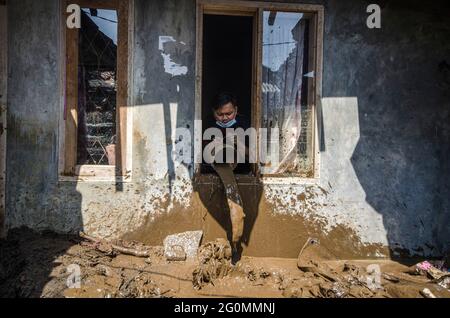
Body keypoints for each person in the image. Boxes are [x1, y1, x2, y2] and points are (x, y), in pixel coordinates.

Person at [203, 92, 249, 260]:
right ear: (213, 112)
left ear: (236, 110)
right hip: (216, 165)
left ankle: (236, 243)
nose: (224, 118)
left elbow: (254, 155)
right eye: (220, 114)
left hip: (239, 166)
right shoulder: (207, 124)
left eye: (229, 114)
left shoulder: (244, 124)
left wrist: (240, 145)